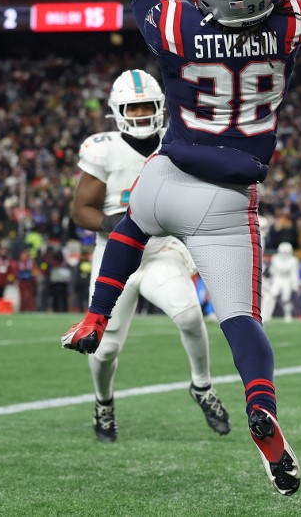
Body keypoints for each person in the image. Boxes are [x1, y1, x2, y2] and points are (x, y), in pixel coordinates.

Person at [62, 0, 301, 496]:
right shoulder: (286, 29)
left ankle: (94, 318)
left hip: (169, 176)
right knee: (240, 320)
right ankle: (260, 404)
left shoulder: (181, 26)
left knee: (130, 225)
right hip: (228, 201)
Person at [68, 68, 231, 443]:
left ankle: (203, 387)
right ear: (117, 111)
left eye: (147, 106)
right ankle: (103, 403)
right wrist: (122, 222)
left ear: (161, 106)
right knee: (105, 348)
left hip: (160, 251)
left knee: (190, 314)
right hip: (115, 255)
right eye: (133, 107)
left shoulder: (177, 141)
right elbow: (81, 211)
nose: (141, 114)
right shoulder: (103, 148)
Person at [261, 242, 300, 323]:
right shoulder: (275, 258)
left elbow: (294, 274)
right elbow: (272, 270)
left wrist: (294, 285)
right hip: (277, 279)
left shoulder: (293, 261)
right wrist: (270, 280)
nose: (284, 254)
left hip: (287, 280)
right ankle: (267, 315)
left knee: (286, 299)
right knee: (272, 296)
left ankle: (287, 315)